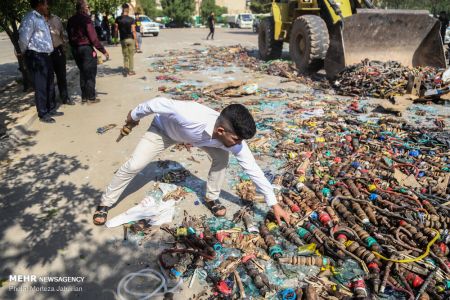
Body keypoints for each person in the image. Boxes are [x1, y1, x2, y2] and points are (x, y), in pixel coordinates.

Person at [92, 97, 291, 226]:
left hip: (199, 139)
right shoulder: (188, 114)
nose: (238, 145)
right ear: (221, 131)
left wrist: (274, 205)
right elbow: (156, 104)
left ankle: (211, 198)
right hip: (163, 131)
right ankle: (105, 203)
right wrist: (134, 115)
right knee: (134, 165)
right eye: (236, 139)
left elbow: (254, 170)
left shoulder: (233, 142)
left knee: (222, 160)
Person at [19, 0, 62, 123]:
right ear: (39, 5)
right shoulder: (30, 18)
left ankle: (51, 108)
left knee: (49, 83)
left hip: (46, 55)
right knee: (41, 85)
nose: (47, 6)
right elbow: (23, 38)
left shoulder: (42, 18)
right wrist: (24, 52)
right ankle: (43, 113)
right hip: (36, 56)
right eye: (45, 4)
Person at [67, 0, 109, 103]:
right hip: (85, 48)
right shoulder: (86, 20)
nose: (89, 9)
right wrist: (103, 51)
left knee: (83, 71)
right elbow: (93, 38)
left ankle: (84, 96)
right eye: (88, 7)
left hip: (75, 49)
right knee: (90, 72)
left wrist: (73, 47)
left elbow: (69, 36)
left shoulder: (71, 20)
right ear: (83, 8)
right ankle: (91, 97)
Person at [46, 11, 75, 105]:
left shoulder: (56, 19)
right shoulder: (39, 20)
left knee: (62, 76)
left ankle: (65, 97)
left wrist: (64, 45)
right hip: (46, 53)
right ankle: (51, 101)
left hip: (58, 50)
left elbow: (63, 34)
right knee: (49, 78)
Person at [115, 3, 138, 76]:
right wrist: (136, 42)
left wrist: (115, 39)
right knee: (131, 55)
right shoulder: (131, 19)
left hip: (123, 39)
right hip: (131, 39)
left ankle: (126, 70)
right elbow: (134, 31)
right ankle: (131, 71)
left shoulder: (118, 19)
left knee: (125, 55)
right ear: (128, 10)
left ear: (122, 9)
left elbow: (116, 30)